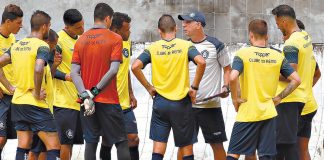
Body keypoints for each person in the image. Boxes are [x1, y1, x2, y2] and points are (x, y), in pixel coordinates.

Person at [132, 14, 206, 160]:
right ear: (176, 28)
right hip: (181, 103)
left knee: (158, 148)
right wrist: (194, 88)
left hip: (160, 103)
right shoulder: (186, 46)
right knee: (186, 147)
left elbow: (135, 67)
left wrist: (148, 87)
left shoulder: (153, 48)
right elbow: (202, 62)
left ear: (159, 31)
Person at [226, 19, 301, 160]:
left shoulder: (243, 54)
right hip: (269, 112)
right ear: (267, 36)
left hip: (248, 112)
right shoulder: (277, 56)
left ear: (250, 35)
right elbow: (296, 80)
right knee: (265, 155)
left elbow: (232, 77)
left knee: (233, 153)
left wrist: (235, 99)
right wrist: (279, 98)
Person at [70, 3, 130, 160]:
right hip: (108, 100)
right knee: (121, 141)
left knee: (91, 142)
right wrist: (94, 92)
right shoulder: (115, 38)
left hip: (87, 102)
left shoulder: (80, 40)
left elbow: (74, 73)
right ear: (108, 18)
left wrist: (85, 95)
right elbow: (113, 70)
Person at [0, 10, 60, 160]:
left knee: (23, 144)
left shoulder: (17, 45)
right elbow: (39, 68)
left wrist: (9, 86)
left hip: (18, 102)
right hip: (36, 104)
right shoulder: (42, 46)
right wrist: (36, 92)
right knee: (54, 145)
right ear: (45, 27)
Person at [177, 11, 230, 160]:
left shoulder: (216, 45)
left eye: (188, 22)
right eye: (183, 22)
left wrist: (226, 86)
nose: (183, 25)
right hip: (187, 105)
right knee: (184, 145)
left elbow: (227, 69)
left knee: (217, 145)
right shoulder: (183, 46)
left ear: (198, 25)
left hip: (210, 106)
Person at [272, 5, 314, 160]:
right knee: (298, 149)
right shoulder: (305, 37)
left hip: (290, 102)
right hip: (305, 100)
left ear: (283, 21)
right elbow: (315, 71)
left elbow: (291, 74)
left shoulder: (291, 44)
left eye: (277, 22)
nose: (276, 26)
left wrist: (269, 73)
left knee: (284, 148)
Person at [99, 12, 139, 160]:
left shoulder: (127, 42)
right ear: (116, 30)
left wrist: (131, 92)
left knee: (133, 138)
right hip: (107, 103)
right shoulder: (103, 44)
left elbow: (126, 67)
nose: (130, 32)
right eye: (127, 29)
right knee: (108, 141)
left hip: (124, 103)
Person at [52, 8, 84, 160]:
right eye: (78, 27)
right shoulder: (58, 40)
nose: (82, 29)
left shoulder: (80, 39)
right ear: (67, 27)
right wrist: (65, 76)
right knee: (64, 143)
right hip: (63, 102)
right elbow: (49, 68)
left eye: (82, 25)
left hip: (78, 101)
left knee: (70, 144)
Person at [29, 29, 62, 160]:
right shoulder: (37, 56)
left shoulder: (45, 59)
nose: (54, 48)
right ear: (47, 42)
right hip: (37, 108)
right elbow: (33, 76)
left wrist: (55, 65)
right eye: (53, 45)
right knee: (35, 149)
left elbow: (50, 77)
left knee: (43, 148)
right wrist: (36, 92)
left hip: (47, 107)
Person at [294, 19, 321, 160]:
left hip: (299, 108)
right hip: (309, 105)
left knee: (291, 150)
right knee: (302, 149)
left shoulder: (295, 53)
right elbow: (318, 74)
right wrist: (306, 88)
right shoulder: (308, 54)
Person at [0, 4, 23, 158]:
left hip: (13, 95)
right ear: (8, 21)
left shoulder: (13, 38)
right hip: (2, 95)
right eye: (18, 23)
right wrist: (6, 85)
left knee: (7, 137)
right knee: (1, 138)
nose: (21, 26)